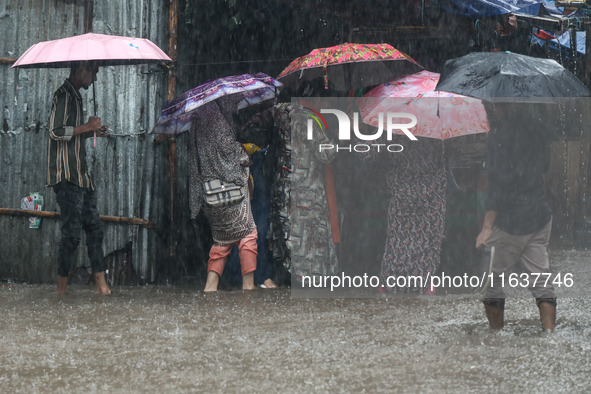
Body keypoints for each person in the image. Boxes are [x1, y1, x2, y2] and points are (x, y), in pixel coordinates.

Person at [475, 103, 556, 331]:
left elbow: (497, 186)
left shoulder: (498, 137)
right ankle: (549, 333)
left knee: (491, 283)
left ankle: (495, 335)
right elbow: (545, 167)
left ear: (498, 105)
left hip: (512, 222)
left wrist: (487, 226)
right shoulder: (538, 129)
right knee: (542, 282)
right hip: (540, 215)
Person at [47, 61, 111, 295]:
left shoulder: (77, 97)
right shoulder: (63, 95)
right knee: (72, 234)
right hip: (67, 177)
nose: (94, 77)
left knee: (94, 229)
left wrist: (93, 132)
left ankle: (102, 287)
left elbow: (72, 137)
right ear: (80, 69)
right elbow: (55, 131)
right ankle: (61, 291)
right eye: (93, 71)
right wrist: (86, 127)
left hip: (82, 176)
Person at [187, 95, 257, 292]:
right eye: (232, 102)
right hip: (231, 192)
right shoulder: (219, 123)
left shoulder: (197, 123)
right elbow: (228, 153)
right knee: (248, 235)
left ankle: (210, 288)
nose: (234, 108)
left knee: (221, 241)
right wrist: (244, 154)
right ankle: (249, 289)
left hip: (211, 195)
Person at [363, 136, 447, 294]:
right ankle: (424, 284)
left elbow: (367, 153)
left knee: (398, 240)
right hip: (432, 192)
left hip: (403, 191)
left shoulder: (393, 121)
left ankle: (390, 283)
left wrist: (356, 131)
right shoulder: (436, 123)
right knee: (427, 241)